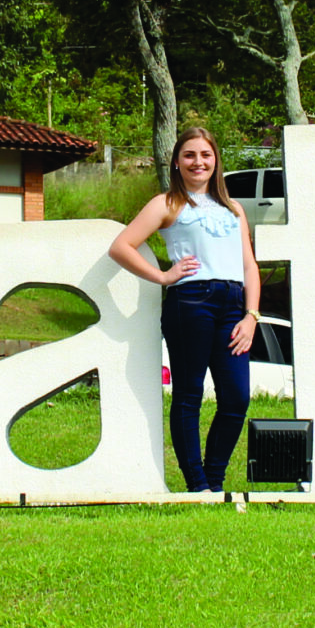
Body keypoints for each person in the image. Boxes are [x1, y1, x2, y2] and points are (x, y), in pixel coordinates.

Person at [110, 128, 261, 493]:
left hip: (232, 307)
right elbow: (122, 246)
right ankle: (198, 486)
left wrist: (251, 316)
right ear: (177, 162)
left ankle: (214, 478)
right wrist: (163, 276)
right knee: (189, 394)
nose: (198, 162)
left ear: (215, 160)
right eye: (190, 155)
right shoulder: (167, 203)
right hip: (190, 303)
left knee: (237, 397)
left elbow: (250, 266)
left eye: (205, 155)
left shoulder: (233, 208)